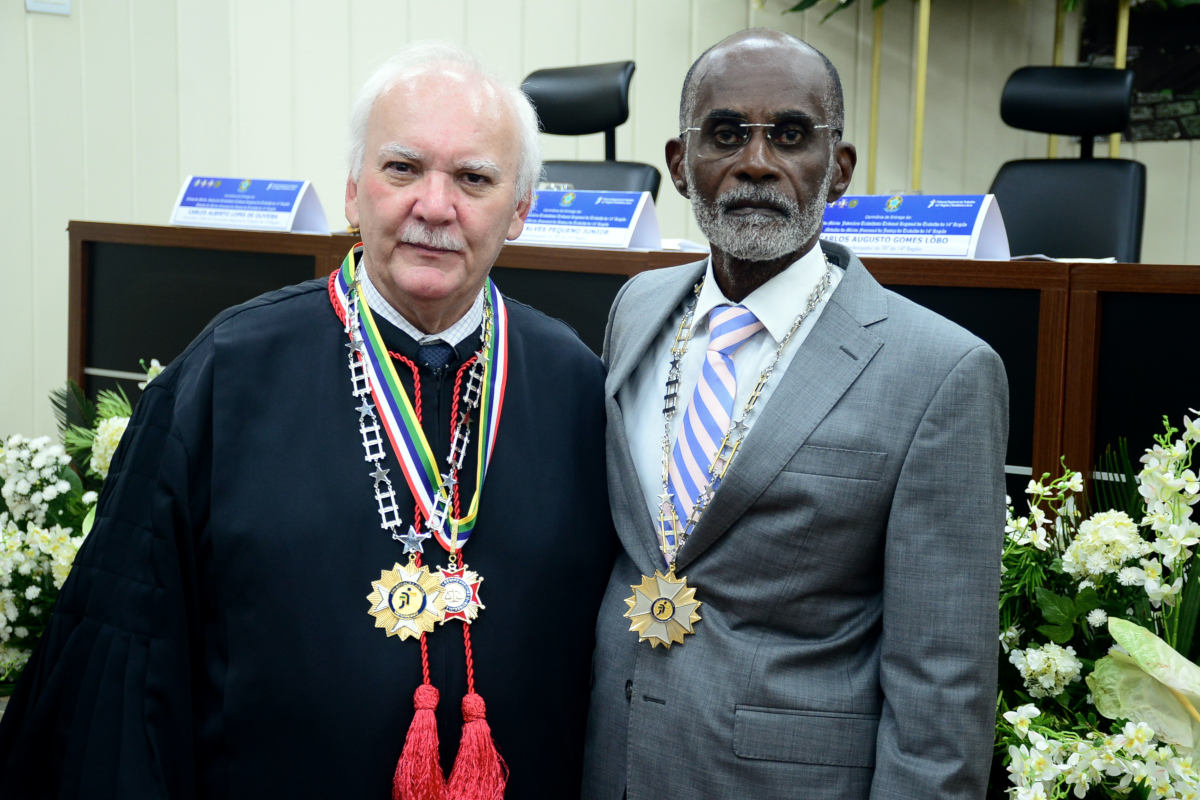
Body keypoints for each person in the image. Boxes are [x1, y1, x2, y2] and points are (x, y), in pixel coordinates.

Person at [0, 41, 617, 799]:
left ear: (519, 210)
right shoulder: (229, 370)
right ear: (354, 191)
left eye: (473, 179)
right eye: (402, 168)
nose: (434, 206)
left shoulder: (574, 384)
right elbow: (125, 656)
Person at [582, 29, 1007, 800]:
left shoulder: (940, 372)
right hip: (617, 761)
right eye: (724, 133)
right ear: (679, 164)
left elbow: (942, 686)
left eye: (789, 134)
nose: (755, 161)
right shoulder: (637, 308)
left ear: (837, 169)